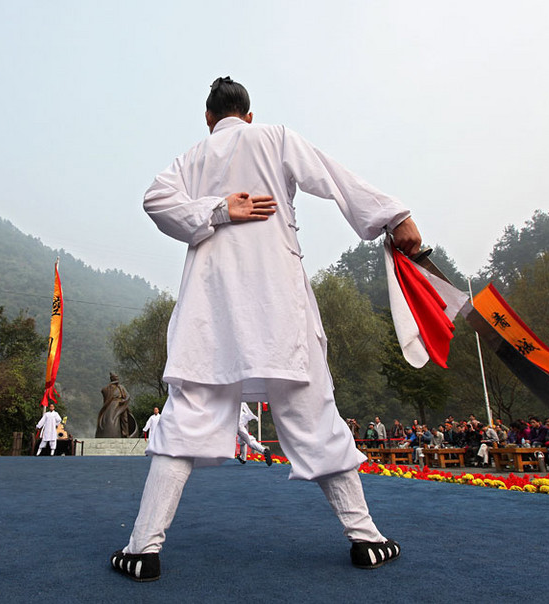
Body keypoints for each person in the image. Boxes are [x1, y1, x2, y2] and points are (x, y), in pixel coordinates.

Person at [110, 76, 417, 581]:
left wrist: (213, 209)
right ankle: (367, 539)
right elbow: (333, 177)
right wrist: (394, 216)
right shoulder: (274, 137)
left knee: (186, 416)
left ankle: (142, 549)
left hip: (213, 311)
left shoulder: (192, 158)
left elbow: (155, 201)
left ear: (209, 118)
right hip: (279, 306)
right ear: (247, 116)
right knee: (315, 413)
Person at [97, 373, 137, 438]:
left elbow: (127, 395)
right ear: (112, 378)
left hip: (121, 404)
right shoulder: (108, 388)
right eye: (115, 377)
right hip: (112, 405)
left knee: (125, 419)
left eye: (117, 377)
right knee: (111, 420)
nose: (117, 378)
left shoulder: (121, 387)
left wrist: (124, 400)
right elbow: (103, 392)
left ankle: (125, 433)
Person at [236, 401, 272, 465]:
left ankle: (264, 451)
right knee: (241, 440)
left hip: (238, 422)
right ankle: (243, 458)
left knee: (249, 440)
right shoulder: (237, 396)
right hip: (244, 419)